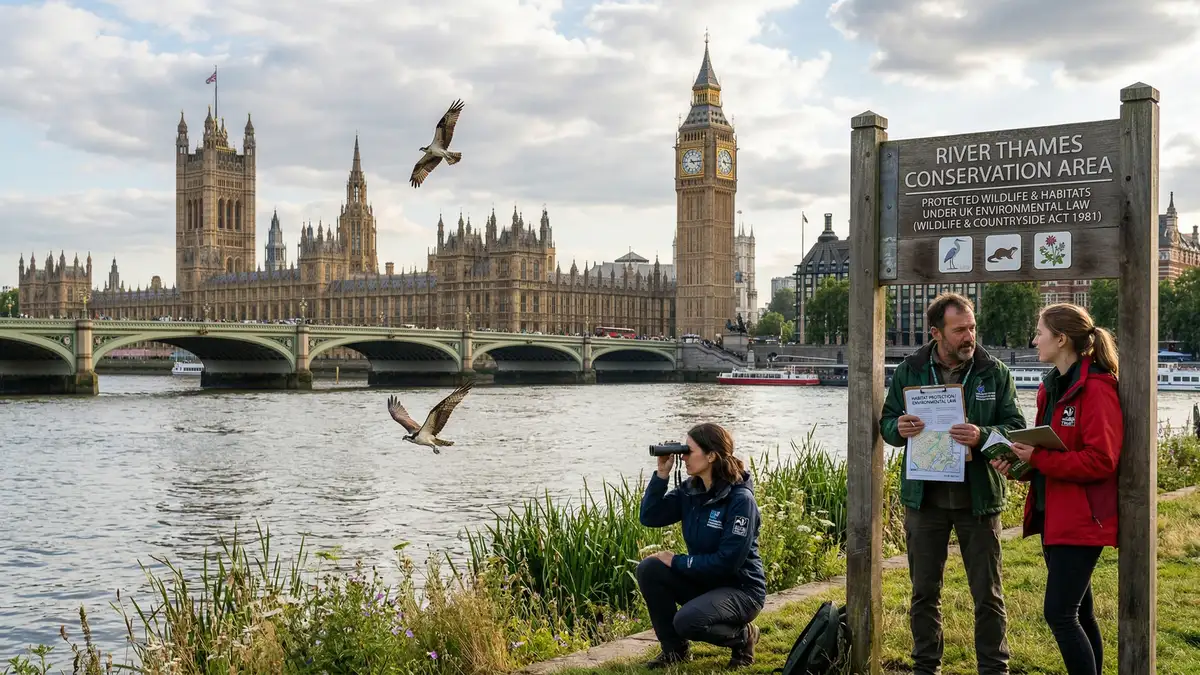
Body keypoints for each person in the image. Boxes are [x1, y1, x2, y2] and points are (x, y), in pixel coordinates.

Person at [880, 292, 1026, 675]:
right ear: (936, 333)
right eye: (960, 329)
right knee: (924, 593)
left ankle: (994, 669)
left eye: (972, 327)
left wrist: (982, 435)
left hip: (977, 500)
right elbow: (887, 423)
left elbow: (1015, 432)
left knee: (988, 595)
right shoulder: (909, 370)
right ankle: (926, 667)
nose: (969, 336)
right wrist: (898, 427)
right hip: (924, 500)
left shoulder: (994, 371)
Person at [991, 303, 1122, 675]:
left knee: (1060, 614)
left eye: (1040, 333)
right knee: (1080, 612)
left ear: (1061, 338)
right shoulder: (1052, 386)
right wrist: (1018, 465)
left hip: (1082, 518)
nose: (1034, 340)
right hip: (1055, 515)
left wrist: (1039, 460)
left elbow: (1102, 460)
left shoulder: (1096, 388)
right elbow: (1048, 453)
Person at [636, 422, 767, 669]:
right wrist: (662, 475)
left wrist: (677, 561)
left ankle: (744, 636)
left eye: (688, 450)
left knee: (686, 621)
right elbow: (650, 517)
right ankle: (675, 651)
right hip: (707, 583)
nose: (683, 457)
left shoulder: (740, 500)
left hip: (741, 590)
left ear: (711, 455)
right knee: (649, 568)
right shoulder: (691, 491)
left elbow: (728, 562)